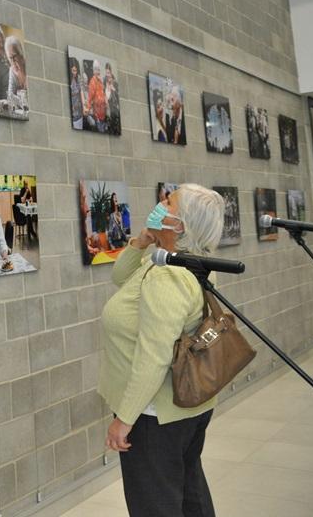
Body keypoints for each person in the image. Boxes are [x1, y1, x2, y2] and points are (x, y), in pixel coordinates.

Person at [100, 184, 226, 517]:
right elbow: (119, 276)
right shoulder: (178, 261)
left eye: (168, 202)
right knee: (188, 493)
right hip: (188, 405)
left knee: (154, 503)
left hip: (155, 415)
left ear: (179, 224)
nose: (160, 204)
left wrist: (124, 420)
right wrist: (140, 242)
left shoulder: (168, 276)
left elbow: (153, 356)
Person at [4, 35, 29, 117]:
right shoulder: (12, 70)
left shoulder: (29, 66)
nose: (13, 61)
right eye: (10, 58)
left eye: (14, 56)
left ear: (20, 53)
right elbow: (10, 95)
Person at [85, 61, 106, 131]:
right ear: (93, 71)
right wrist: (87, 109)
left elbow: (103, 94)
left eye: (99, 70)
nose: (98, 72)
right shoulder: (92, 82)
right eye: (96, 70)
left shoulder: (100, 81)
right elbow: (90, 98)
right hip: (97, 115)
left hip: (103, 113)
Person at [69, 61, 85, 129]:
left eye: (75, 70)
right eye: (72, 70)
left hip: (78, 112)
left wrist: (84, 106)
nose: (74, 73)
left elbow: (81, 92)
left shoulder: (78, 78)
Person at [104, 62, 120, 131]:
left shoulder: (115, 83)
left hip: (113, 109)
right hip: (105, 109)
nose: (107, 75)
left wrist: (114, 89)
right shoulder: (104, 80)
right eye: (106, 73)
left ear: (111, 72)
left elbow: (118, 98)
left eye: (108, 73)